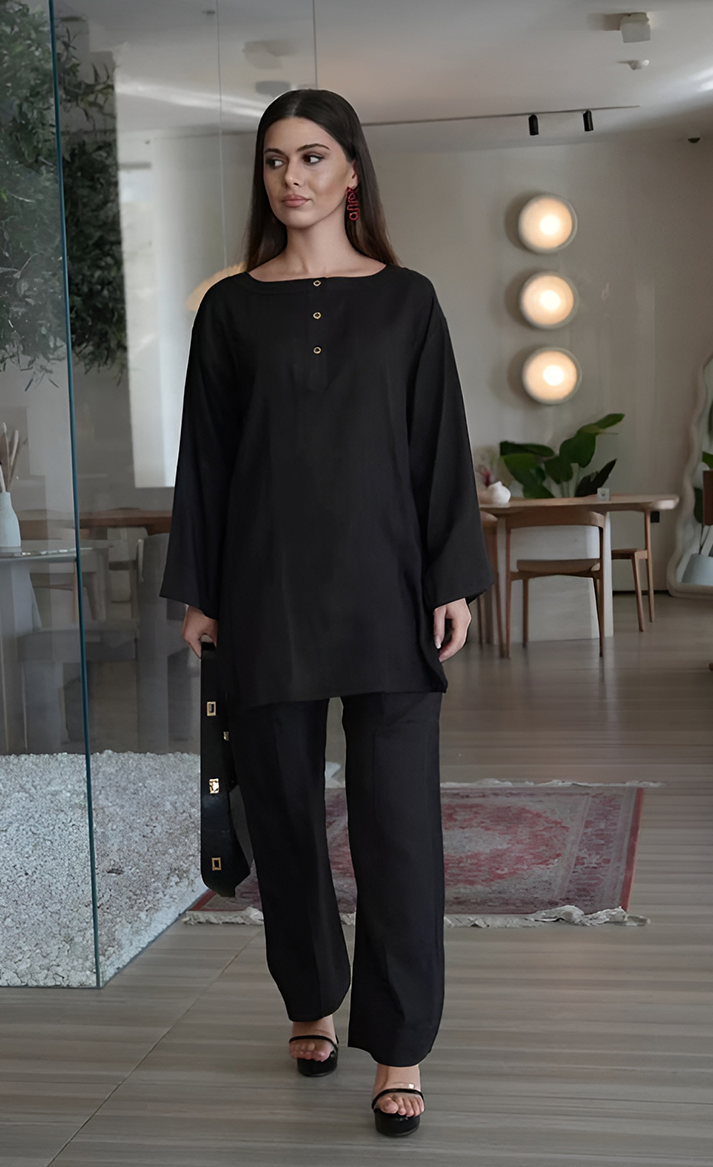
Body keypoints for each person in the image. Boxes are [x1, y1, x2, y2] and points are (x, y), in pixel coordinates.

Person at [159, 88, 492, 1137]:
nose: (290, 177)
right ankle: (309, 997)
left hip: (387, 592)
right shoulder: (230, 310)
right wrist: (200, 591)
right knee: (284, 815)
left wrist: (449, 578)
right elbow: (206, 461)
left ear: (350, 170)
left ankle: (399, 1047)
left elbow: (438, 446)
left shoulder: (406, 302)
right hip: (266, 594)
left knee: (399, 829)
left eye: (310, 156)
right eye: (273, 160)